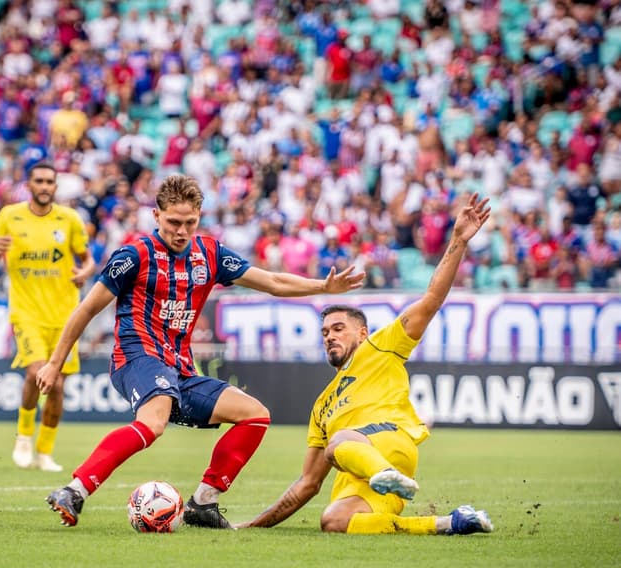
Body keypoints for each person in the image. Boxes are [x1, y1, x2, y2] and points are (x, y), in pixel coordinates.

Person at [35, 174, 365, 528]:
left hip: (180, 370)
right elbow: (86, 310)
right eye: (174, 222)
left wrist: (323, 286)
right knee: (154, 422)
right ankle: (75, 489)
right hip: (136, 357)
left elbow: (272, 281)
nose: (181, 230)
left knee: (255, 414)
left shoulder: (210, 254)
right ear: (156, 216)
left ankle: (203, 502)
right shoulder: (133, 256)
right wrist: (55, 363)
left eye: (189, 222)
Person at [238, 193, 494, 535]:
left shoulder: (381, 347)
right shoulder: (322, 407)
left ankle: (381, 473)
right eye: (325, 331)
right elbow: (307, 485)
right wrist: (251, 525)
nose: (329, 336)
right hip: (363, 478)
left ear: (362, 333)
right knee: (333, 521)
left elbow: (431, 300)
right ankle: (449, 523)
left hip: (391, 446)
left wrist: (458, 240)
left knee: (341, 439)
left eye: (339, 329)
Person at [0, 162, 95, 472]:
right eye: (39, 181)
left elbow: (88, 260)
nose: (45, 186)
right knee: (36, 373)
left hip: (64, 315)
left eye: (50, 181)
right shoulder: (9, 215)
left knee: (57, 387)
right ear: (29, 185)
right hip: (26, 311)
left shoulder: (70, 219)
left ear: (55, 187)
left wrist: (83, 273)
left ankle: (44, 452)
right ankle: (23, 436)